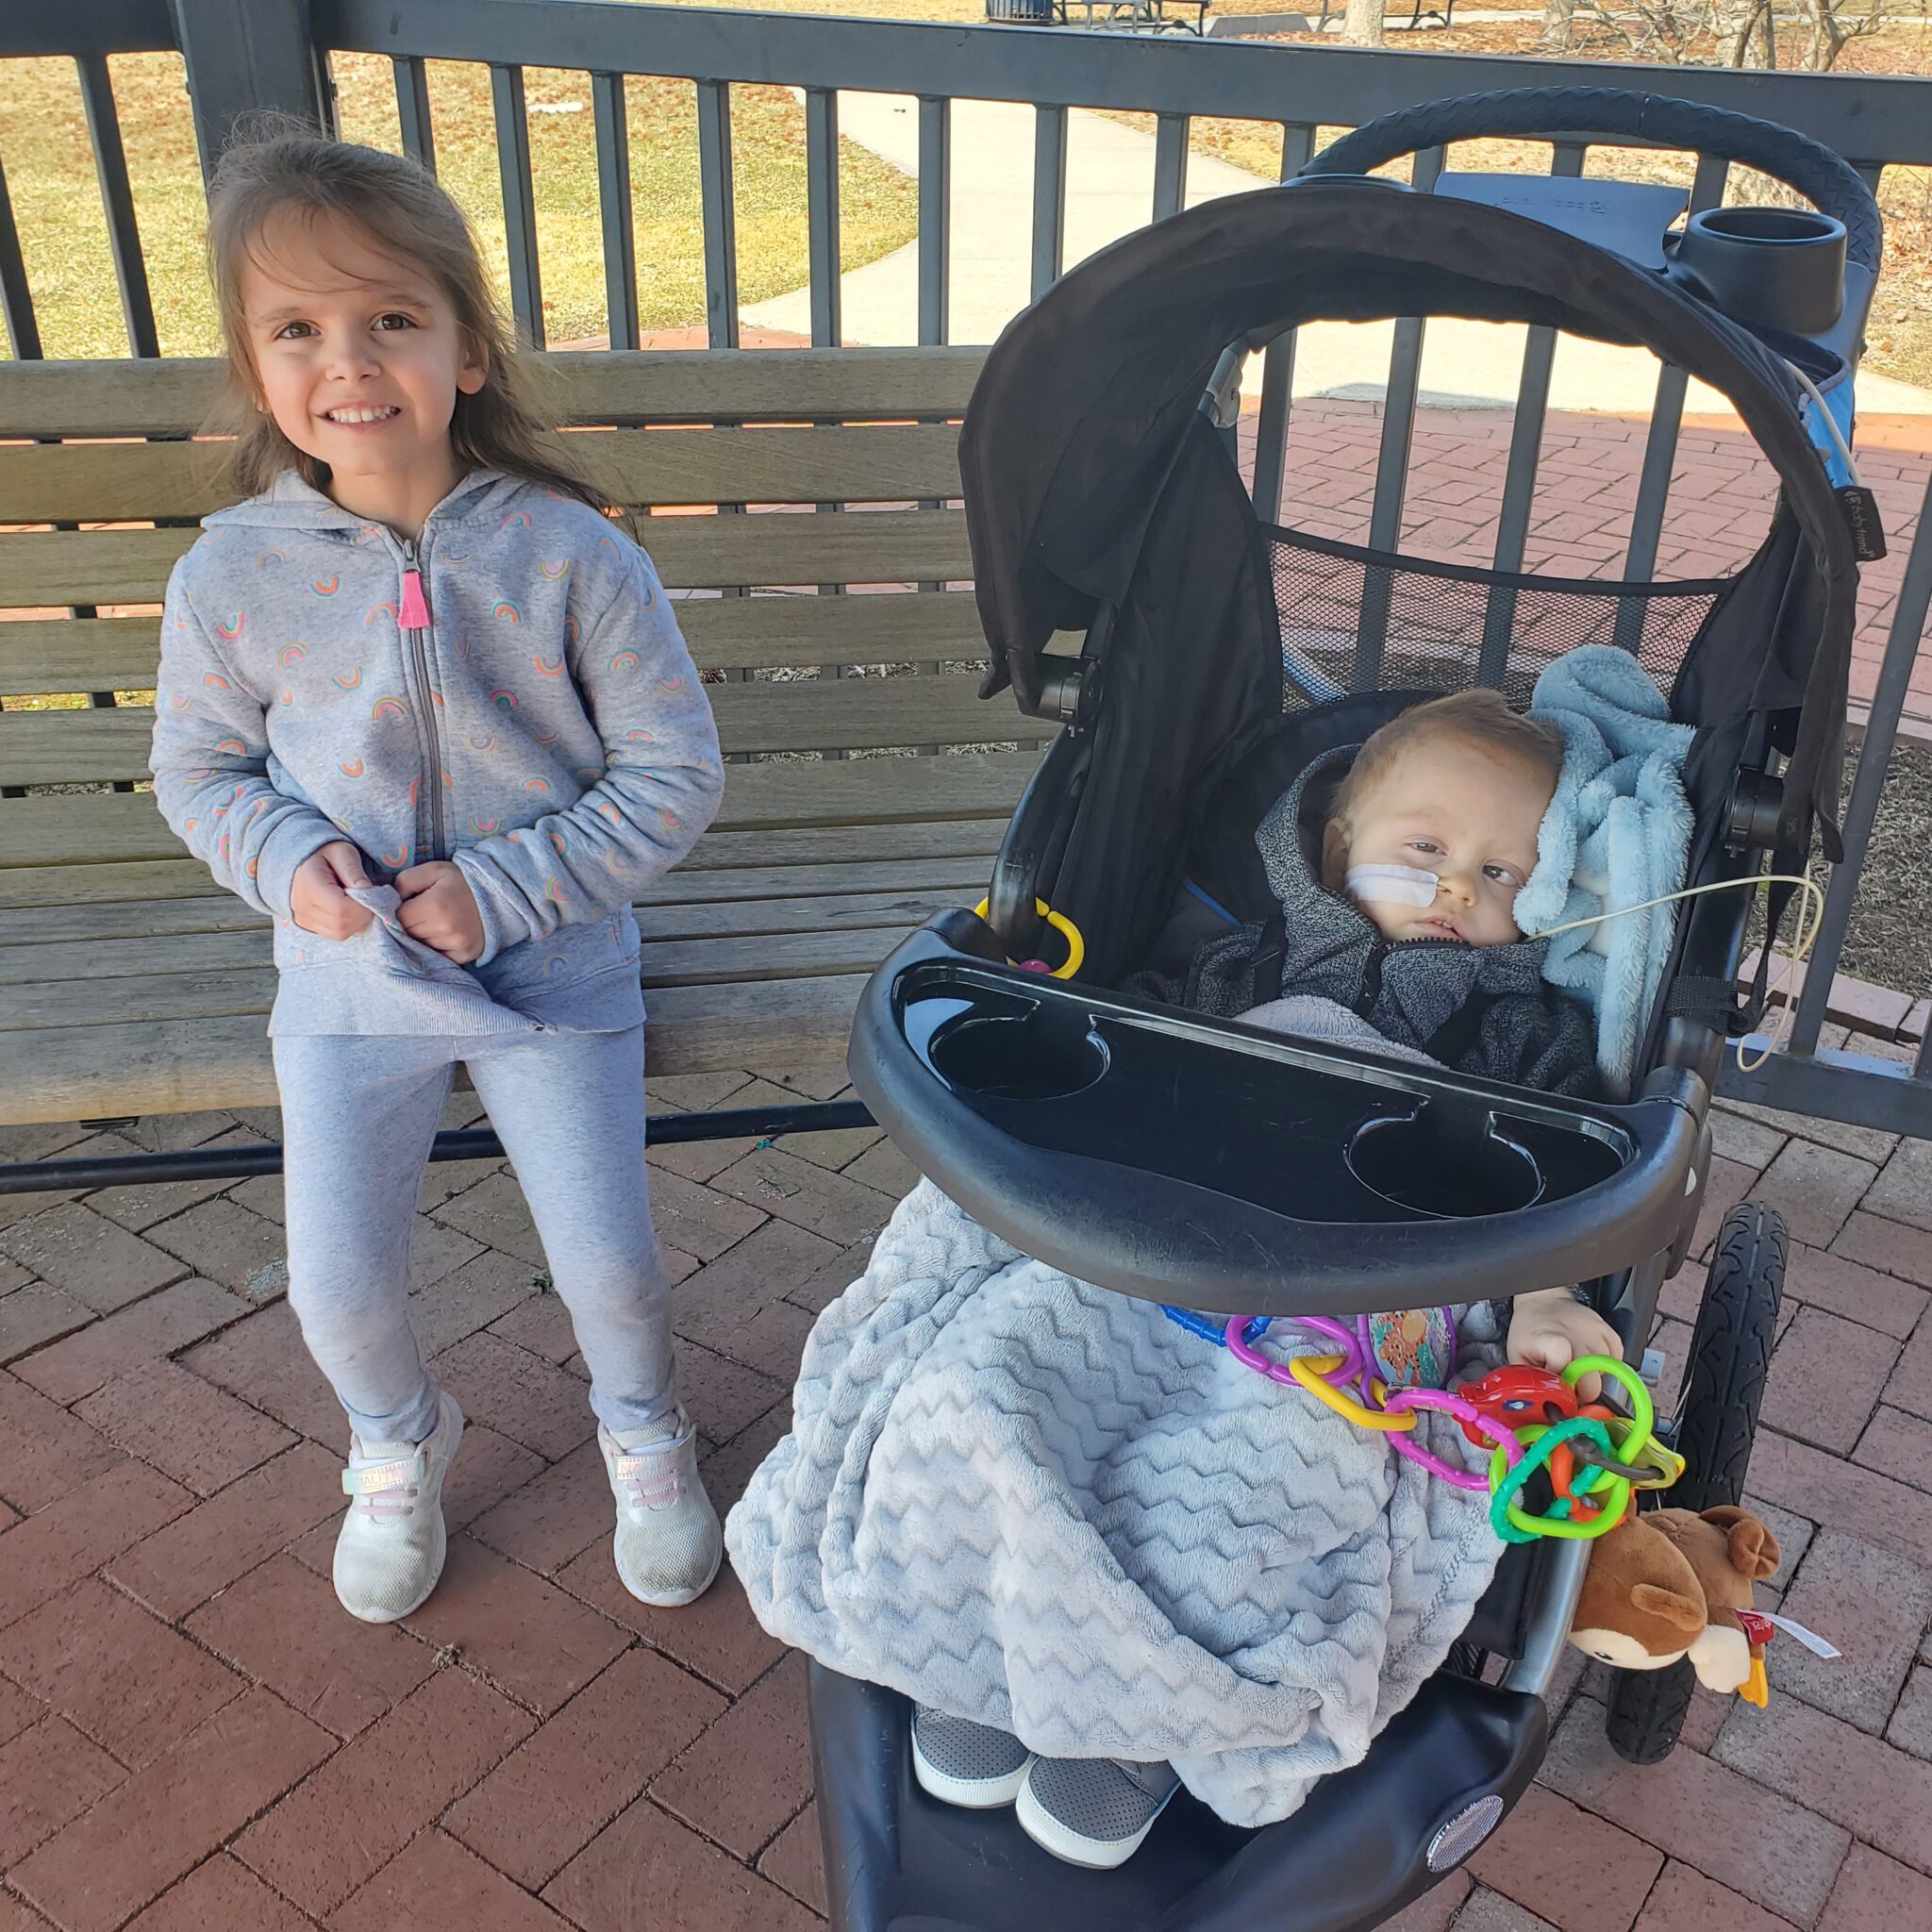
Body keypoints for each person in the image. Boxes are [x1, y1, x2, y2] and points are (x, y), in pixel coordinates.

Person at [149, 127, 724, 1625]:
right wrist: (294, 867)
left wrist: (514, 888)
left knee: (612, 1270)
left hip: (555, 975)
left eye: (391, 317)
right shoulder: (227, 577)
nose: (350, 360)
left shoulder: (573, 554)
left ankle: (646, 1432)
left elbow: (674, 776)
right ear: (258, 368)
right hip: (348, 990)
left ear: (466, 347)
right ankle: (399, 1447)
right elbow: (200, 774)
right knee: (332, 1290)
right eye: (298, 329)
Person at [898, 690, 1623, 1868]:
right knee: (1002, 1367)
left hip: (1361, 1299)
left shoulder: (1522, 1032)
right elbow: (1129, 1068)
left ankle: (1131, 1715)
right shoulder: (1240, 961)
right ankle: (978, 1652)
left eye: (1501, 875)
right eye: (1425, 851)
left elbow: (1564, 1180)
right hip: (1165, 1246)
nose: (1455, 891)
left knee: (1270, 1477)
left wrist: (1543, 1297)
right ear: (1337, 848)